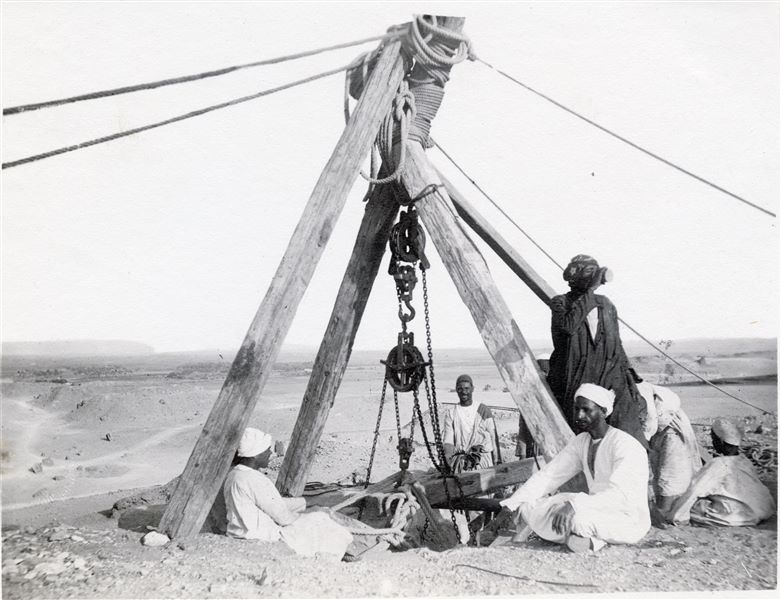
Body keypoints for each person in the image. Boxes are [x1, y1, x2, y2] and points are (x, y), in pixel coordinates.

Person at [500, 383, 650, 552]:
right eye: (577, 409)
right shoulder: (582, 441)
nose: (579, 415)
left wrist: (574, 505)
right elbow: (550, 475)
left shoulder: (624, 445)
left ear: (603, 411)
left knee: (578, 519)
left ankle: (587, 540)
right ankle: (582, 539)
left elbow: (619, 496)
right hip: (592, 506)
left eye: (586, 410)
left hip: (625, 516)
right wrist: (512, 503)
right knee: (528, 507)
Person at [546, 254, 647, 447]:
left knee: (629, 436)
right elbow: (568, 327)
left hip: (610, 377)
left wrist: (629, 376)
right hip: (576, 380)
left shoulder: (605, 304)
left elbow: (616, 342)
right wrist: (589, 293)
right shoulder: (560, 303)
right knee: (583, 439)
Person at [224, 427, 353, 557]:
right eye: (267, 450)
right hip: (259, 535)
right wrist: (308, 512)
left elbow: (271, 503)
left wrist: (306, 502)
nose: (271, 453)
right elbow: (284, 518)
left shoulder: (235, 474)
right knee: (320, 518)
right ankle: (338, 555)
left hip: (239, 531)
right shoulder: (253, 479)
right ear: (256, 454)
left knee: (316, 515)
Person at [668, 418, 775, 527]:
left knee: (695, 506)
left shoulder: (718, 464)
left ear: (720, 441)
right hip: (762, 510)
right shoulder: (745, 461)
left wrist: (676, 516)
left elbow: (695, 491)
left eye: (713, 439)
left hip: (739, 516)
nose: (712, 442)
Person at [645, 384, 702, 519]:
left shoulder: (672, 433)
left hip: (670, 433)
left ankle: (666, 511)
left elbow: (669, 475)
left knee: (670, 473)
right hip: (663, 429)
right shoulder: (654, 402)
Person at [442, 374, 498, 472]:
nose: (464, 392)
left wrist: (497, 461)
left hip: (482, 461)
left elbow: (494, 438)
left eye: (467, 388)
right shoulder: (451, 413)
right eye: (460, 389)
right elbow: (448, 440)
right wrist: (447, 458)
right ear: (456, 389)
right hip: (461, 463)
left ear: (472, 389)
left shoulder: (483, 410)